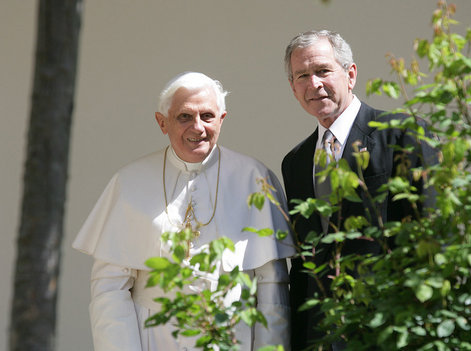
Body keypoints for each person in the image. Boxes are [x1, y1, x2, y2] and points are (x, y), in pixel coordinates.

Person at [73, 72, 295, 351]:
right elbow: (109, 290)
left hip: (235, 337)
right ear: (162, 122)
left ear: (222, 119)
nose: (198, 127)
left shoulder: (254, 177)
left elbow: (272, 284)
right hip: (155, 339)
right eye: (185, 117)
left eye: (207, 116)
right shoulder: (129, 182)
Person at [281, 30, 437, 349]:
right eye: (302, 76)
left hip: (391, 328)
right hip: (322, 334)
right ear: (293, 88)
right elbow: (304, 259)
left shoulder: (401, 133)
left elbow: (429, 237)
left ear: (350, 74)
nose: (314, 84)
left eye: (323, 70)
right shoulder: (294, 162)